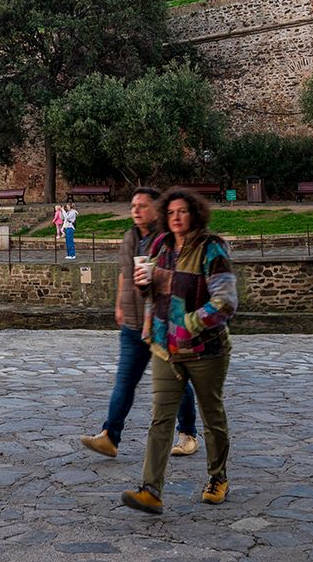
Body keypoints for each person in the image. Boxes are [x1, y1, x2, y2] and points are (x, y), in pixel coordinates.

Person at [121, 186, 238, 516]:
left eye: (181, 212)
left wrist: (191, 321)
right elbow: (153, 293)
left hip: (205, 349)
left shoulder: (211, 249)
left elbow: (226, 301)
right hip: (165, 348)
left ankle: (218, 477)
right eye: (170, 212)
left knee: (211, 415)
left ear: (195, 214)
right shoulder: (161, 245)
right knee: (161, 419)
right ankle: (151, 490)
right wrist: (144, 283)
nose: (175, 217)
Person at [80, 187, 199, 460]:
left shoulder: (170, 240)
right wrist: (119, 305)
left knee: (177, 380)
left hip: (163, 323)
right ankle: (110, 436)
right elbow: (124, 275)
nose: (135, 209)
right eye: (133, 205)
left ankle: (188, 434)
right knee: (124, 381)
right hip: (134, 324)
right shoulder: (130, 238)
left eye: (142, 205)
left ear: (156, 210)